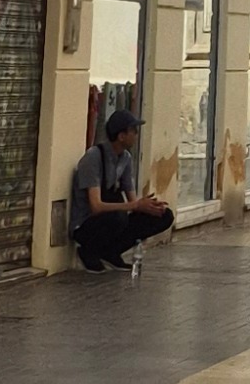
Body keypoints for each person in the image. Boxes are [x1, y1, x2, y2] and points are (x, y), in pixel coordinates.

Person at [69, 111, 175, 273]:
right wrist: (134, 204)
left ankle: (111, 252)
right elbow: (96, 206)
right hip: (86, 223)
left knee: (164, 215)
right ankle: (88, 250)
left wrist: (148, 206)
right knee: (118, 216)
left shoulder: (125, 158)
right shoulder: (94, 157)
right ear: (121, 136)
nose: (136, 135)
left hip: (112, 219)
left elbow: (132, 201)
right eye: (133, 131)